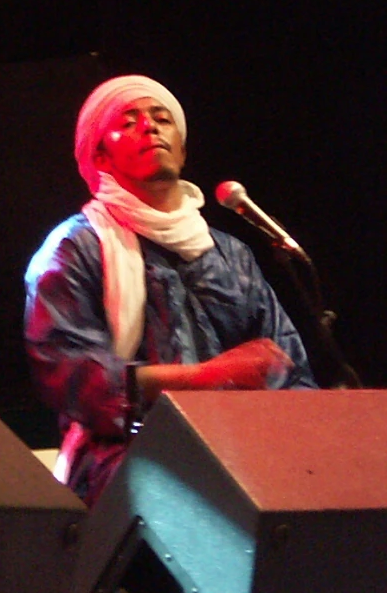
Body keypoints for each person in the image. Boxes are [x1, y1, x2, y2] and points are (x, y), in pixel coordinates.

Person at [25, 74, 312, 503]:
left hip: (246, 456)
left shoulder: (231, 254)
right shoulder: (75, 248)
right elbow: (69, 374)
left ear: (181, 148)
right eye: (129, 119)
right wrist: (201, 380)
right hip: (127, 469)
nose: (150, 127)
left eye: (162, 118)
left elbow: (287, 368)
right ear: (100, 155)